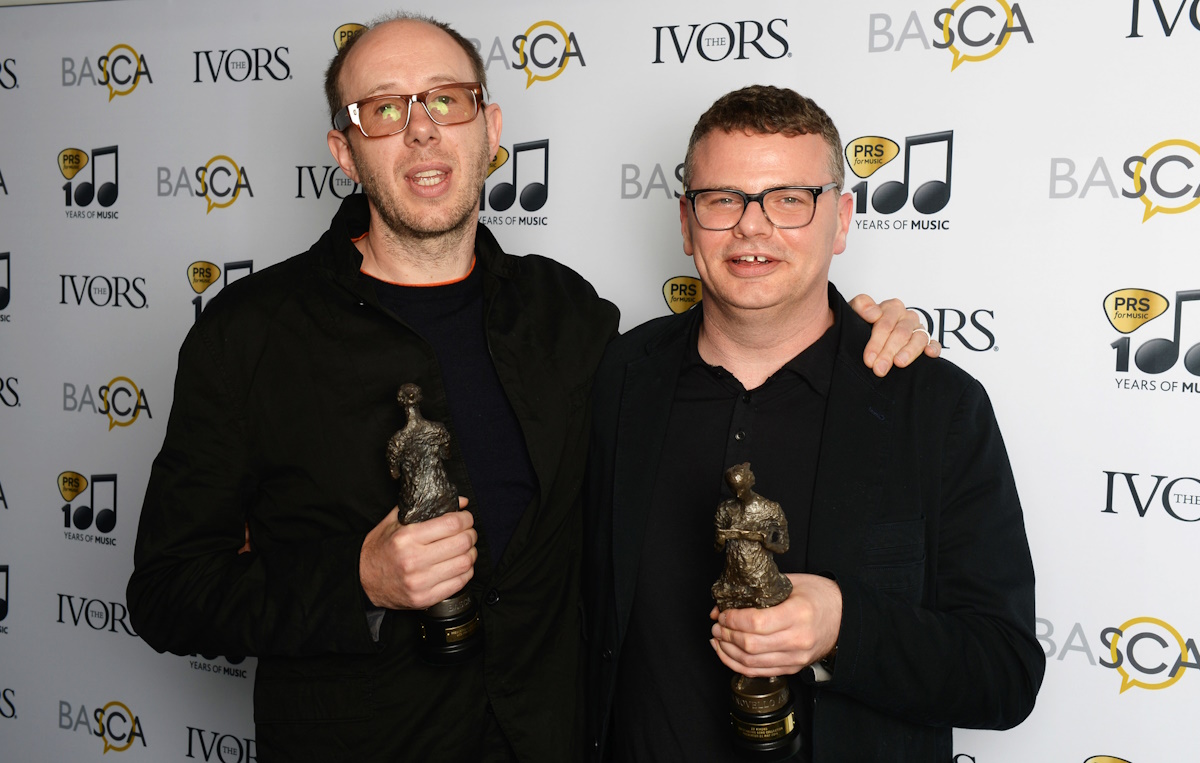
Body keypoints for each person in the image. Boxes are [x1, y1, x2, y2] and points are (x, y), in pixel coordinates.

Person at [126, 15, 937, 763]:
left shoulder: (571, 318)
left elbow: (748, 348)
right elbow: (166, 594)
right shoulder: (248, 335)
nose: (423, 130)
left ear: (491, 131)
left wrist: (856, 324)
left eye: (448, 99)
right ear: (345, 149)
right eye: (383, 109)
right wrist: (357, 580)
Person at [584, 85, 1044, 762]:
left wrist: (842, 626)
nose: (752, 227)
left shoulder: (936, 407)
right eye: (723, 199)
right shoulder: (614, 378)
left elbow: (1005, 673)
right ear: (686, 223)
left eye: (789, 199)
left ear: (843, 218)